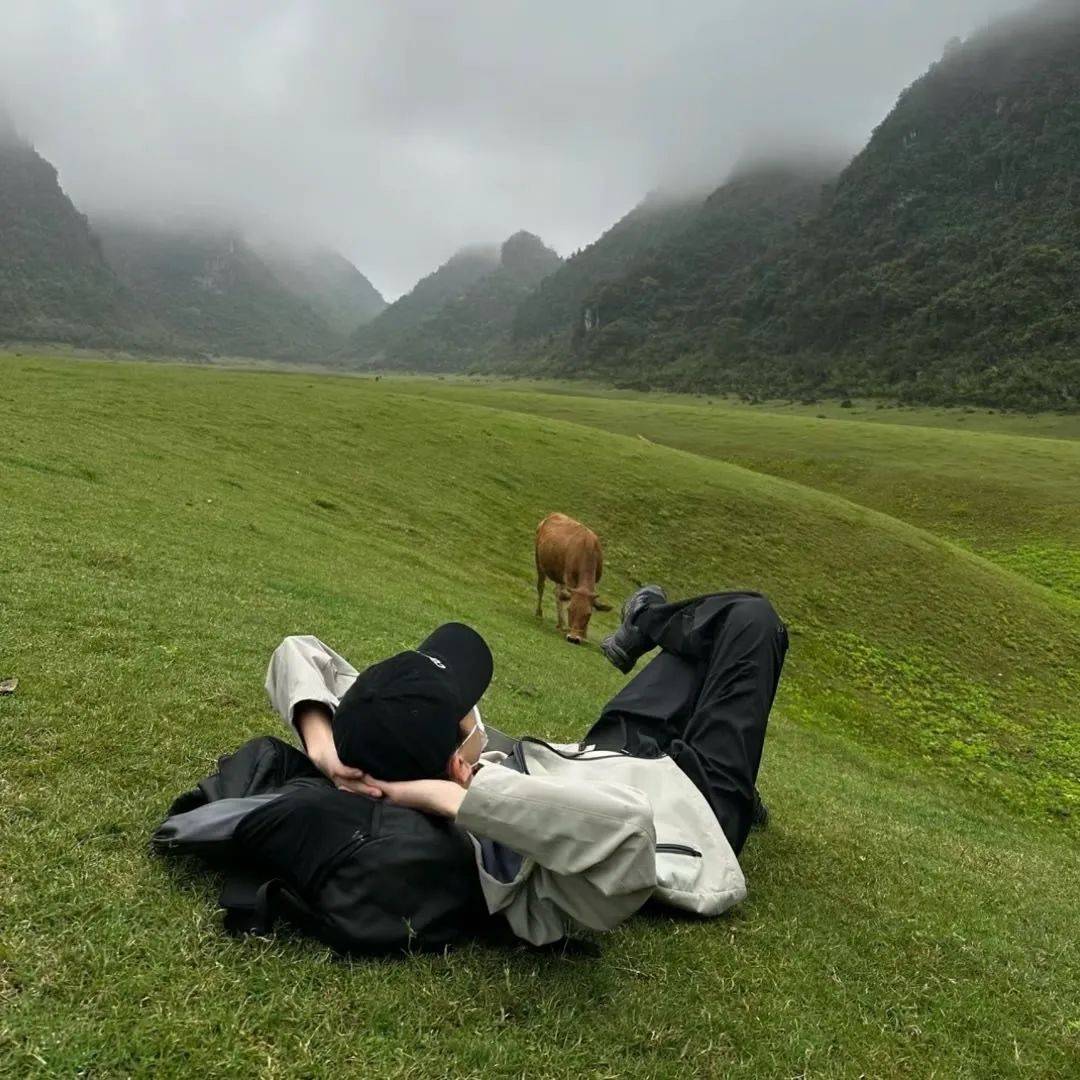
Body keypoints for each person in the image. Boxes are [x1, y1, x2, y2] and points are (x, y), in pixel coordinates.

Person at [265, 587, 788, 946]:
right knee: (753, 621)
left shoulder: (381, 739)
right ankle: (647, 623)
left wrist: (327, 753)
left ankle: (644, 625)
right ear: (457, 759)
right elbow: (630, 832)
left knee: (709, 638)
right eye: (467, 704)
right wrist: (459, 800)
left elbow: (299, 650)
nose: (475, 707)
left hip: (602, 753)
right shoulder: (507, 867)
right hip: (694, 806)